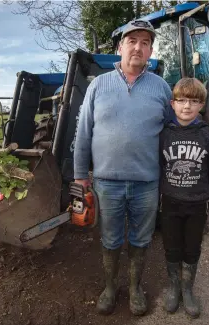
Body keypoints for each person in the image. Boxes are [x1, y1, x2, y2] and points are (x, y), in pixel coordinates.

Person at [73, 19, 173, 316]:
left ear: (151, 50)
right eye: (132, 41)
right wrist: (80, 175)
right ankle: (109, 286)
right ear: (120, 47)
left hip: (146, 182)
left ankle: (135, 288)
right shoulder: (99, 86)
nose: (138, 47)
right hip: (107, 182)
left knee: (141, 240)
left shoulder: (161, 88)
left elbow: (171, 133)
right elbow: (83, 134)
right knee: (110, 238)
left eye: (145, 43)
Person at [159, 78, 209, 318]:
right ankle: (174, 287)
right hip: (170, 203)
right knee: (171, 247)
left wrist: (207, 198)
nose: (187, 106)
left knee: (192, 248)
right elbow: (159, 166)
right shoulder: (163, 135)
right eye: (182, 101)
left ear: (201, 105)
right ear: (172, 104)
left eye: (194, 101)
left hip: (197, 205)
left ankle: (188, 289)